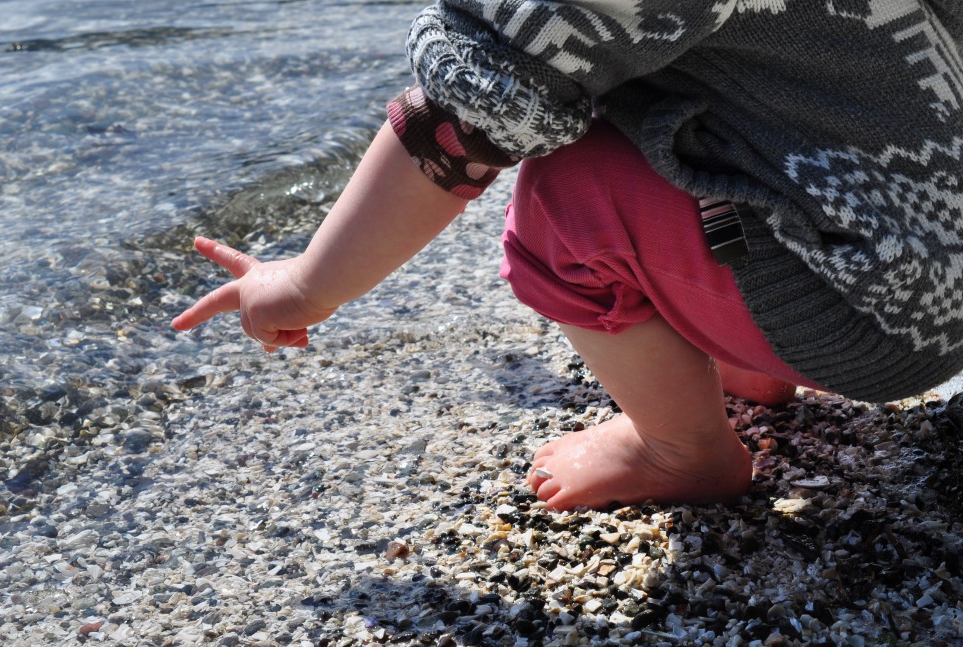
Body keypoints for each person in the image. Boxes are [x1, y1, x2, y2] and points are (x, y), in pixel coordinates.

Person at [173, 1, 963, 510]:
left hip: (874, 316)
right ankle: (750, 365)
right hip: (929, 261)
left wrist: (308, 285)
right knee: (665, 106)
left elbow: (465, 122)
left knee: (564, 198)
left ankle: (682, 450)